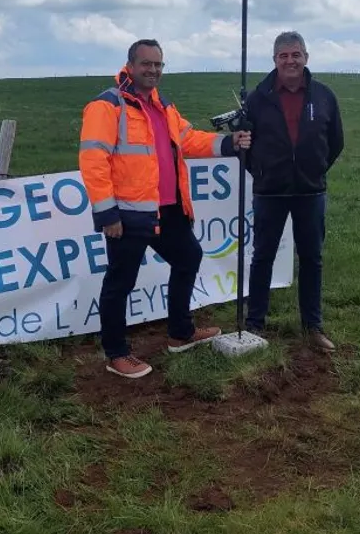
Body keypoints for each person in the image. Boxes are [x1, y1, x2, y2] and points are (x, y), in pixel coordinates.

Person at [78, 39, 251, 379]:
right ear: (130, 65)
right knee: (120, 282)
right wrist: (107, 213)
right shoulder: (107, 106)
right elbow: (93, 160)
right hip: (128, 214)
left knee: (188, 258)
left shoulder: (163, 106)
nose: (153, 70)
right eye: (146, 64)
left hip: (169, 208)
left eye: (159, 65)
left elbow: (189, 140)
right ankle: (116, 353)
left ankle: (180, 333)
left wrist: (229, 143)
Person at [242, 31, 344, 352]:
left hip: (310, 193)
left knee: (312, 259)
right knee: (262, 258)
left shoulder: (324, 96)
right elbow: (244, 145)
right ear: (274, 60)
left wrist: (312, 170)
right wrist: (262, 172)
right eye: (283, 56)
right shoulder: (257, 97)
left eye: (296, 55)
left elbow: (336, 142)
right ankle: (255, 324)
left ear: (306, 58)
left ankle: (312, 326)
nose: (290, 61)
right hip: (269, 193)